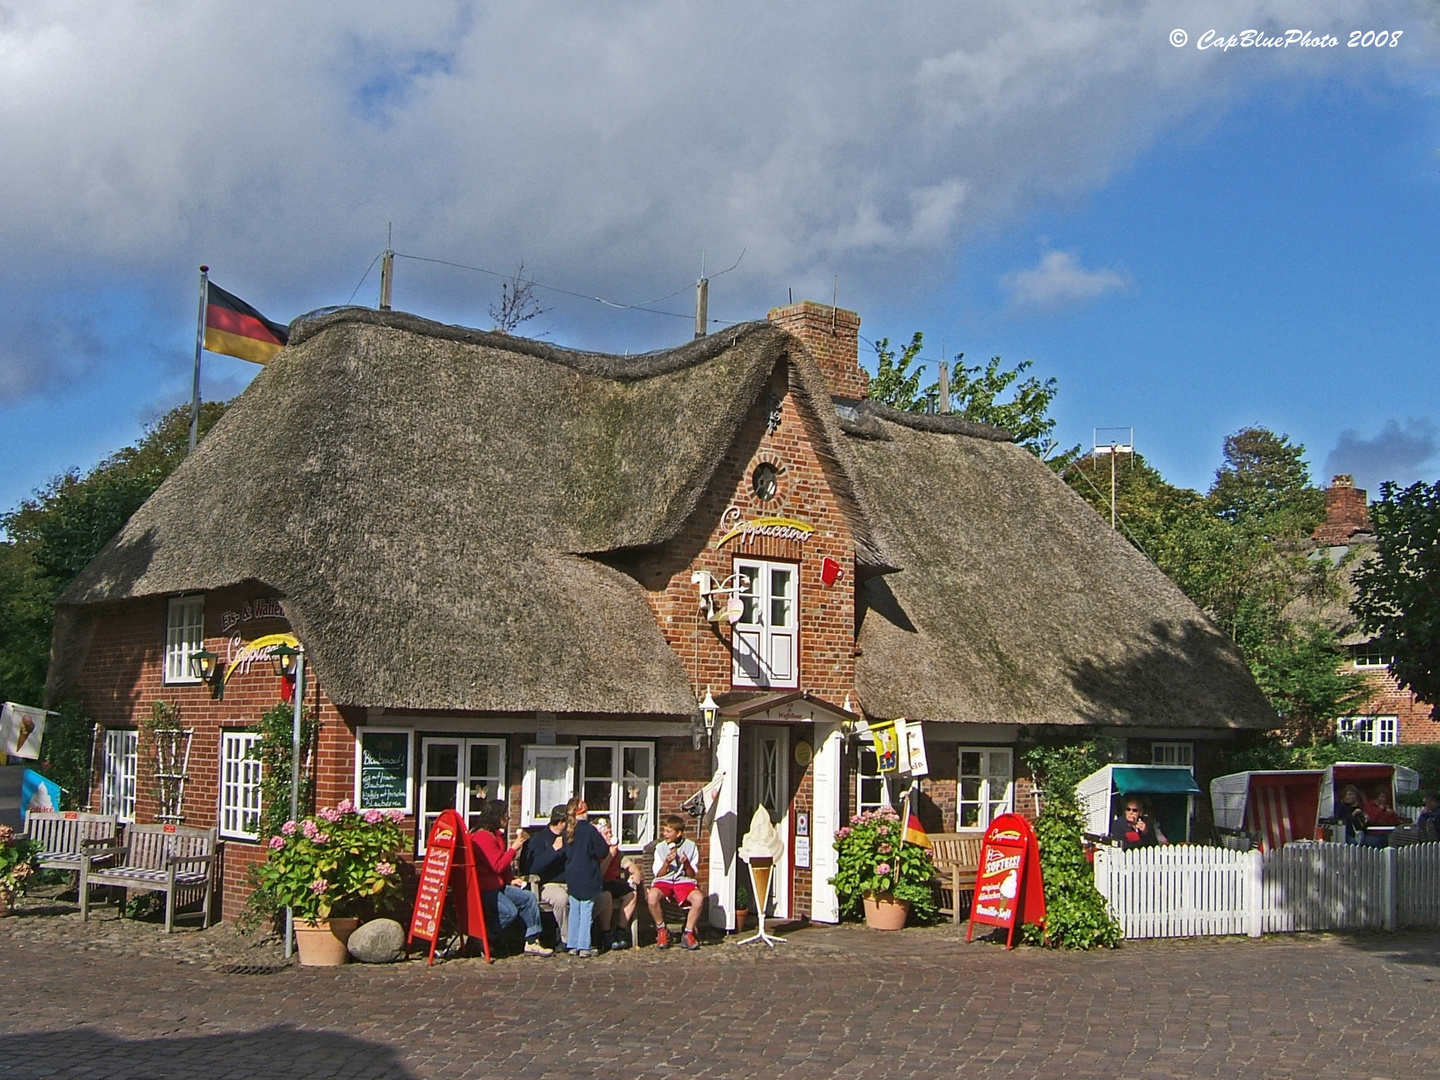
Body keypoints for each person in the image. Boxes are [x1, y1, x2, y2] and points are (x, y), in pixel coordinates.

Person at [472, 800, 553, 955]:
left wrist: (510, 879)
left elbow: (502, 864)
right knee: (508, 911)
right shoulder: (482, 837)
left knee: (528, 898)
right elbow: (496, 865)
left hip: (498, 884)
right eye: (504, 815)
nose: (508, 818)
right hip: (485, 887)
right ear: (495, 816)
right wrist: (514, 848)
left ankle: (532, 941)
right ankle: (485, 935)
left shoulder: (496, 835)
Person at [647, 814, 704, 950]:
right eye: (664, 830)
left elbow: (692, 875)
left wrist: (687, 864)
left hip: (683, 881)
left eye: (668, 831)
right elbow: (658, 874)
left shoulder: (690, 846)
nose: (665, 834)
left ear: (678, 833)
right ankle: (661, 930)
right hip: (665, 881)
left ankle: (688, 933)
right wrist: (666, 863)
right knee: (652, 896)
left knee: (698, 898)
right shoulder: (660, 848)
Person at [563, 798, 611, 957]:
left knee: (574, 909)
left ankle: (572, 944)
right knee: (586, 910)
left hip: (572, 875)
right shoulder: (589, 830)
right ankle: (584, 945)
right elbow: (603, 851)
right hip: (588, 875)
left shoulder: (568, 830)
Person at [524, 805, 573, 948]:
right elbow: (533, 868)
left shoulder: (570, 838)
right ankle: (567, 940)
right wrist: (553, 851)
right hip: (548, 884)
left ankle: (582, 935)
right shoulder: (539, 839)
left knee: (595, 897)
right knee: (561, 899)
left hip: (570, 882)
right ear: (561, 822)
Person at [594, 816, 642, 950]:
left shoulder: (617, 852)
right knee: (607, 896)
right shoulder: (596, 851)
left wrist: (636, 873)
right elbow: (599, 873)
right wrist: (609, 855)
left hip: (613, 881)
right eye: (606, 833)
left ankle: (621, 930)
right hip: (600, 883)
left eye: (611, 833)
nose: (610, 836)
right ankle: (606, 933)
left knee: (631, 894)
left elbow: (629, 864)